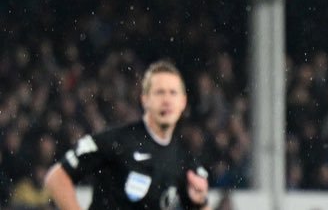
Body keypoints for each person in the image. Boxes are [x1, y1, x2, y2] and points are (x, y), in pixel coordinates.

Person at [43, 60, 210, 210]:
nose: (166, 100)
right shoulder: (117, 140)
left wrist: (201, 202)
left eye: (173, 93)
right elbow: (57, 177)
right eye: (159, 92)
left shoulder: (184, 160)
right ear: (145, 99)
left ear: (183, 102)